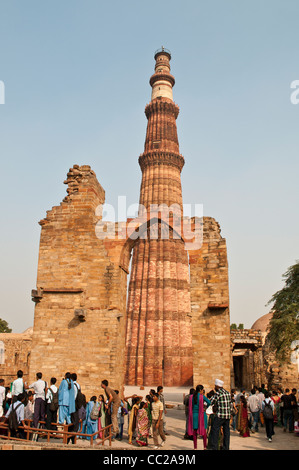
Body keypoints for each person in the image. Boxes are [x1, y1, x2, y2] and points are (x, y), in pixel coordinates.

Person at [209, 379, 231, 450]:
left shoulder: (218, 393)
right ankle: (226, 447)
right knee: (226, 432)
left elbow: (211, 402)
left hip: (220, 415)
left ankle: (214, 447)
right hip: (227, 416)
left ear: (217, 386)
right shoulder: (228, 393)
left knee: (214, 430)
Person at [187, 384, 211, 449]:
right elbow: (209, 402)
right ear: (200, 390)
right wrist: (205, 408)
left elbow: (190, 406)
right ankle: (205, 447)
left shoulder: (191, 397)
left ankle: (195, 447)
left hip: (194, 415)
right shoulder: (202, 397)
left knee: (194, 432)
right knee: (203, 432)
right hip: (201, 415)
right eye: (202, 390)